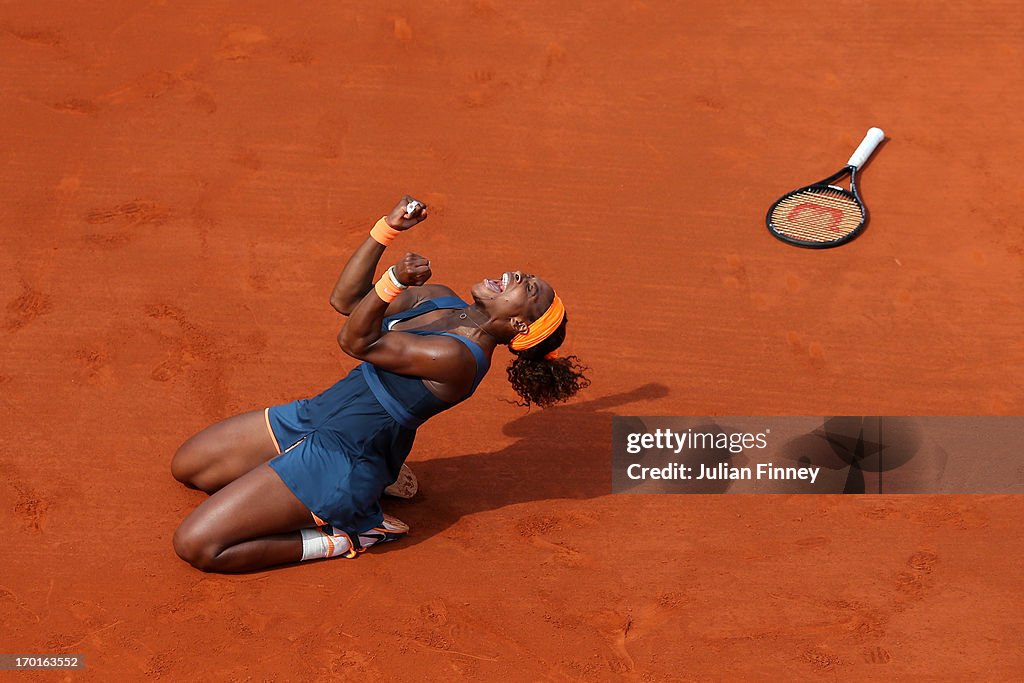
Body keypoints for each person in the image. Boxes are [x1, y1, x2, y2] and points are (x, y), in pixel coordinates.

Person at [171, 195, 590, 572]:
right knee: (190, 468)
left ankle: (346, 536)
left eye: (528, 287)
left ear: (519, 324)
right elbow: (347, 302)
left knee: (198, 545)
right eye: (525, 274)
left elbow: (355, 340)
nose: (516, 274)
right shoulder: (439, 298)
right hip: (316, 416)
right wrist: (385, 231)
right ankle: (383, 473)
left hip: (340, 463)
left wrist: (392, 281)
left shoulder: (458, 359)